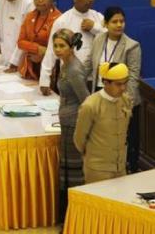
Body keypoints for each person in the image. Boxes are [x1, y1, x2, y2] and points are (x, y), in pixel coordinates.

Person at [86, 6, 142, 172]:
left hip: (123, 99)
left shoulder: (132, 46)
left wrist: (125, 103)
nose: (119, 25)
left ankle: (129, 169)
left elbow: (133, 78)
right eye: (114, 21)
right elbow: (89, 64)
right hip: (101, 94)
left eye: (122, 21)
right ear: (105, 23)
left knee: (126, 138)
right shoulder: (98, 40)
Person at [39, 0, 105, 96]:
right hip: (70, 78)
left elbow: (111, 39)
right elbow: (51, 51)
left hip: (94, 78)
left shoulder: (98, 17)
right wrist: (44, 79)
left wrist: (95, 28)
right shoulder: (63, 21)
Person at [52, 29, 89, 222]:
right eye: (55, 46)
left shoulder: (74, 69)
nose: (58, 50)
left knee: (75, 173)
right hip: (66, 123)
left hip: (74, 124)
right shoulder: (65, 64)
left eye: (62, 46)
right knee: (67, 171)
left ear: (71, 47)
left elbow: (86, 101)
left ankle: (76, 219)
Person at [74, 62, 132, 184]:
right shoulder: (90, 105)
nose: (123, 88)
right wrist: (91, 157)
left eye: (125, 83)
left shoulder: (125, 100)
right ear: (105, 83)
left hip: (120, 167)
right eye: (118, 84)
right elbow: (79, 139)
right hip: (97, 169)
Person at [17, 0, 61, 80]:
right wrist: (38, 49)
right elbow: (20, 42)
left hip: (51, 66)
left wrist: (44, 54)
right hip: (30, 65)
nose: (40, 0)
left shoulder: (58, 19)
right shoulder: (29, 16)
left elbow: (59, 47)